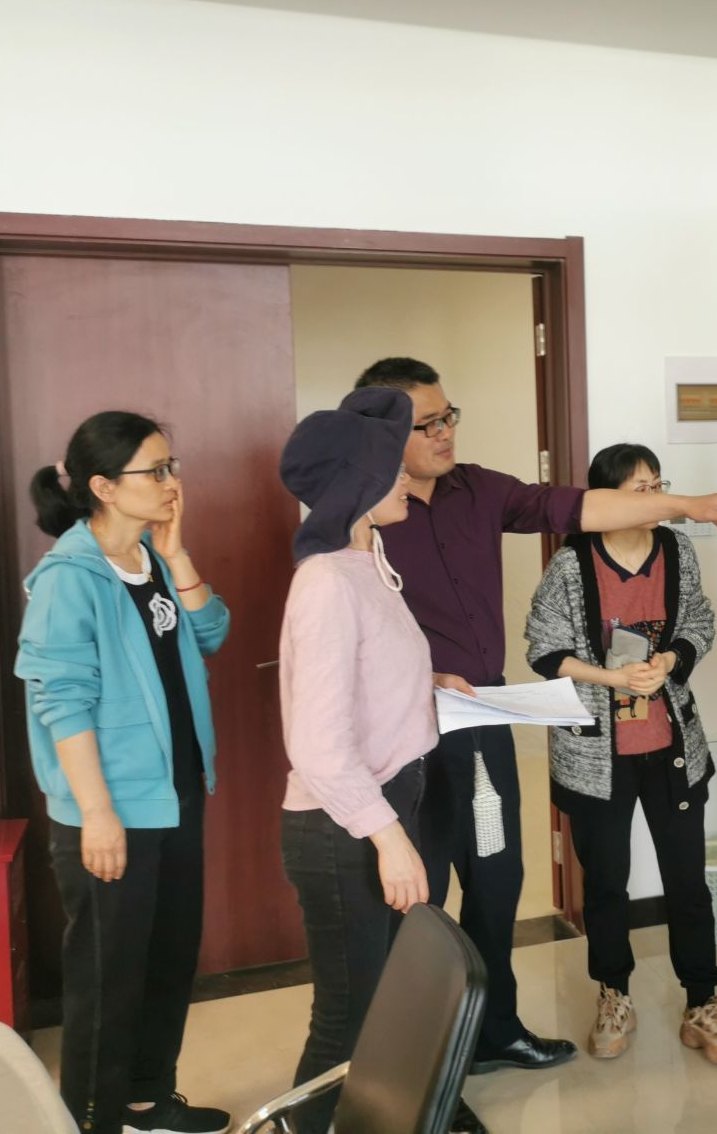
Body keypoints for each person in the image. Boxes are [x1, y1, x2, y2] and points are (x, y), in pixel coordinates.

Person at [352, 355, 717, 1074]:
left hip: (481, 722)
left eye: (449, 417)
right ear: (382, 434)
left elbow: (579, 507)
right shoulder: (358, 519)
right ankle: (419, 1061)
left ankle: (495, 1030)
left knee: (496, 876)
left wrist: (688, 507)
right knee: (420, 890)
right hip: (403, 734)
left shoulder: (479, 489)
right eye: (428, 424)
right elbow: (349, 636)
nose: (445, 433)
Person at [15, 412, 231, 1134]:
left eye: (174, 466)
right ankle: (93, 1120)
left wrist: (178, 551)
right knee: (107, 980)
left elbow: (212, 633)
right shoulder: (68, 578)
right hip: (111, 808)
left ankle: (146, 1102)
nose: (173, 483)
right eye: (156, 471)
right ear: (104, 487)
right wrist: (97, 813)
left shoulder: (152, 560)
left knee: (169, 959)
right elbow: (61, 700)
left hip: (175, 795)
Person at [277, 386, 482, 1134]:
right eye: (391, 468)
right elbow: (319, 745)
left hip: (386, 804)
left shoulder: (367, 561)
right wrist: (389, 839)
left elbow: (365, 676)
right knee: (348, 1018)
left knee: (389, 1005)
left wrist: (427, 682)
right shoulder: (327, 582)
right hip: (346, 831)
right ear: (356, 487)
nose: (406, 476)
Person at [525, 443, 717, 1066]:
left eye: (658, 484)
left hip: (671, 745)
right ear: (606, 499)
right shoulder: (571, 565)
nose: (655, 498)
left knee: (687, 881)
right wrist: (611, 678)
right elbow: (542, 650)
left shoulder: (677, 551)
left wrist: (669, 660)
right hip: (596, 757)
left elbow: (699, 621)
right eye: (640, 489)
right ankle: (614, 994)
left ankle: (703, 1002)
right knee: (606, 884)